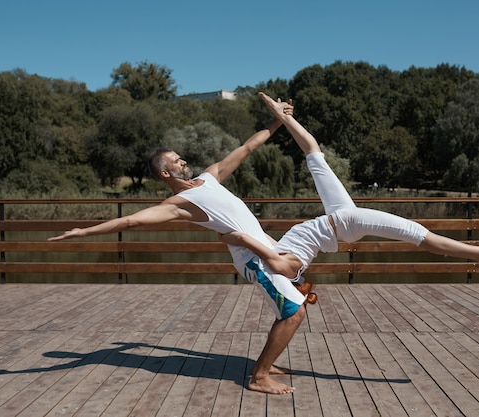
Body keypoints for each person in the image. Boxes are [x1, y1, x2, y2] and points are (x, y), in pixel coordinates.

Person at [48, 98, 305, 395]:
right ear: (166, 173)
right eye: (176, 160)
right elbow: (131, 222)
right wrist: (83, 231)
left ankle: (266, 362)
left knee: (284, 307)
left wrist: (279, 120)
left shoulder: (209, 178)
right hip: (253, 260)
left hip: (266, 251)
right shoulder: (179, 205)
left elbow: (247, 147)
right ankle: (259, 377)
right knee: (293, 312)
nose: (183, 161)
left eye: (181, 157)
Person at [218, 93, 479, 282]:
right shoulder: (284, 267)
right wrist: (241, 240)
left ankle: (284, 118)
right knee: (418, 234)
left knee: (315, 156)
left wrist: (281, 118)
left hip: (340, 216)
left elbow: (263, 248)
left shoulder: (278, 254)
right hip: (344, 223)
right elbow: (268, 257)